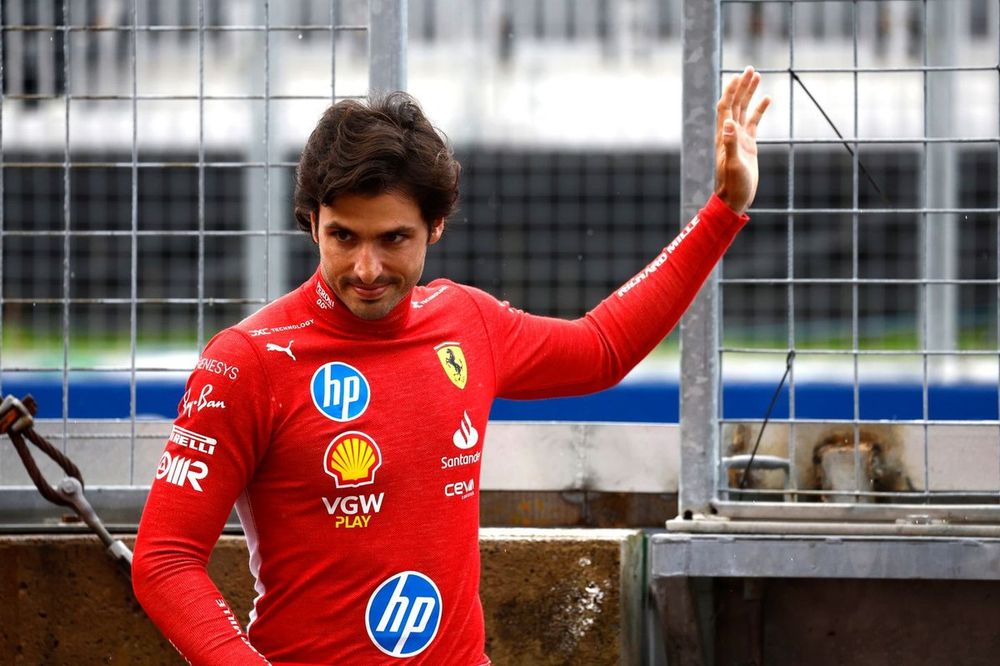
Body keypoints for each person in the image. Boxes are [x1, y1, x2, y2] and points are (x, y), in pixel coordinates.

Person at [132, 66, 770, 665]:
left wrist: (723, 210)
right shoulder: (248, 361)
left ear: (434, 228)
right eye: (343, 236)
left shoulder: (468, 322)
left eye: (393, 239)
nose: (366, 269)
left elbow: (602, 349)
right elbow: (164, 556)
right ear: (312, 223)